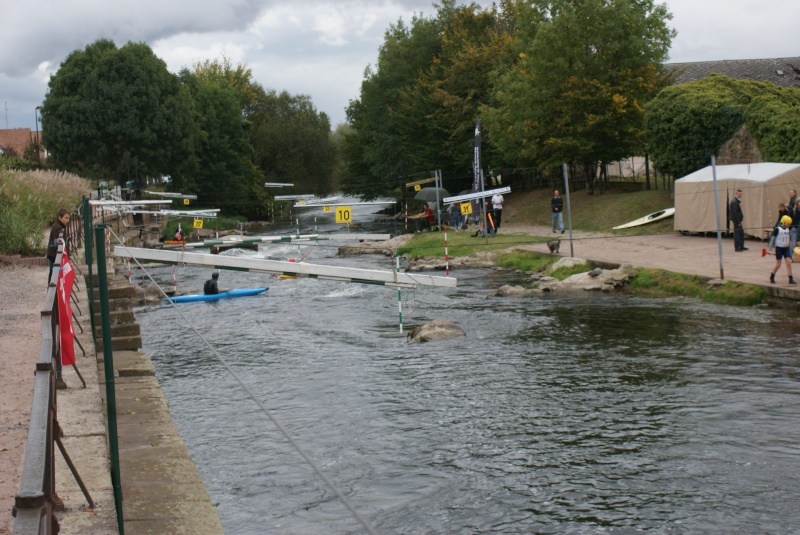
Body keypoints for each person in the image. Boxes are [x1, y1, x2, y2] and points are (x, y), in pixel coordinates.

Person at [769, 215, 796, 285]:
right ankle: (772, 275)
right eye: (788, 223)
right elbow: (772, 240)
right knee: (778, 265)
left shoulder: (788, 229)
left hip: (786, 248)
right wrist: (770, 249)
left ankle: (791, 278)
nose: (789, 225)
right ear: (784, 222)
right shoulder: (777, 229)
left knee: (789, 263)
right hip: (779, 248)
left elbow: (788, 239)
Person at [46, 208, 70, 284]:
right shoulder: (58, 228)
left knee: (53, 272)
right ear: (59, 218)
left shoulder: (59, 226)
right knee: (53, 273)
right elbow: (57, 242)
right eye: (66, 218)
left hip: (53, 254)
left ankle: (52, 288)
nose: (68, 220)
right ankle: (52, 290)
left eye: (68, 218)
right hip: (54, 255)